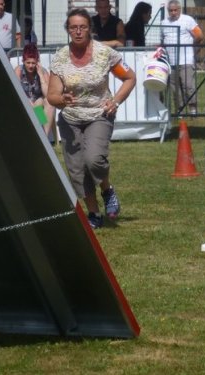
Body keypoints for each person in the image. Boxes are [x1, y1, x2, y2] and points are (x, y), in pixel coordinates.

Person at [47, 8, 136, 229]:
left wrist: (115, 101)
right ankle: (94, 213)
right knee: (77, 170)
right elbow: (51, 95)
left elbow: (130, 77)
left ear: (90, 29)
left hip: (99, 115)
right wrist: (62, 99)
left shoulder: (105, 53)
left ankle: (106, 190)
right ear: (68, 30)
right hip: (70, 119)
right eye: (73, 27)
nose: (78, 31)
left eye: (82, 27)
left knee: (94, 159)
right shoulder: (60, 58)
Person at [161, 0, 204, 115]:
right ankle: (179, 110)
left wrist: (193, 48)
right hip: (171, 61)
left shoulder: (188, 20)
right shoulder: (164, 23)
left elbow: (199, 35)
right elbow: (162, 40)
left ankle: (193, 109)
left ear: (179, 9)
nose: (173, 12)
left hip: (186, 59)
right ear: (168, 11)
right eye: (171, 10)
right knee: (175, 88)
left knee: (188, 85)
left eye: (175, 10)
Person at [14, 44, 55, 136]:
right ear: (23, 61)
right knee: (36, 105)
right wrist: (28, 101)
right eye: (28, 63)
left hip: (38, 103)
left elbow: (47, 94)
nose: (31, 66)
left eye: (33, 63)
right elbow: (17, 92)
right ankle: (40, 134)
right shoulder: (19, 70)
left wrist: (40, 75)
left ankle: (44, 136)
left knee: (47, 102)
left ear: (37, 62)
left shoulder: (43, 71)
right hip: (24, 101)